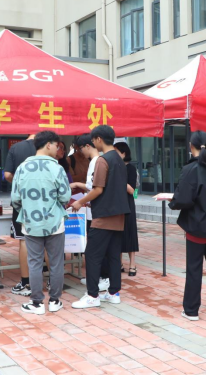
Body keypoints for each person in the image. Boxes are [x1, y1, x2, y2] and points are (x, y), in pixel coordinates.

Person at [160, 131, 206, 322]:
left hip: (196, 226)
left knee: (194, 269)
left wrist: (171, 200)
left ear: (191, 146)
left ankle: (191, 311)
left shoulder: (191, 169)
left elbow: (183, 199)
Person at [12, 131, 71, 315]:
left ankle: (36, 303)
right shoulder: (57, 168)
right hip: (55, 222)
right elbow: (65, 196)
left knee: (35, 263)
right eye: (56, 146)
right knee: (56, 263)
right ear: (48, 145)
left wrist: (28, 209)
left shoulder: (22, 168)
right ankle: (54, 301)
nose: (58, 149)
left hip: (31, 223)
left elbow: (15, 199)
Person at [71, 126, 130, 309]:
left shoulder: (102, 161)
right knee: (113, 256)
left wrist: (80, 202)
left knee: (92, 254)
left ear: (98, 139)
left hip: (103, 217)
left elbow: (98, 189)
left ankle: (92, 295)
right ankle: (113, 293)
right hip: (119, 216)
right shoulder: (119, 159)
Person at [70, 134, 110, 292]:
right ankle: (97, 276)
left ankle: (103, 278)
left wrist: (80, 201)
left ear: (88, 146)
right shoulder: (96, 161)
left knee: (97, 248)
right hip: (93, 210)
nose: (81, 153)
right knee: (95, 247)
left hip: (97, 212)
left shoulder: (96, 161)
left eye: (81, 149)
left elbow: (96, 188)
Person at [4, 134, 36, 297]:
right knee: (47, 240)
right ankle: (52, 281)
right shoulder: (48, 147)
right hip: (44, 202)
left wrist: (18, 182)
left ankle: (26, 283)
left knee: (24, 240)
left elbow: (7, 175)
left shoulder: (16, 148)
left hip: (23, 201)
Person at [114, 142, 139, 277]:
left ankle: (132, 264)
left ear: (123, 153)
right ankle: (119, 263)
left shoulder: (131, 169)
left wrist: (119, 178)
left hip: (128, 204)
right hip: (117, 204)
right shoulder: (115, 167)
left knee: (130, 233)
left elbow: (131, 190)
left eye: (116, 152)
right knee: (118, 234)